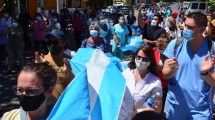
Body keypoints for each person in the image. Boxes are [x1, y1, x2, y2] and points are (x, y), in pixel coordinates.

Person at [162, 12, 215, 120]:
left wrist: (205, 73)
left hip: (200, 109)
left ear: (202, 30)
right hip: (175, 106)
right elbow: (165, 74)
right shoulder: (175, 44)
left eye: (190, 27)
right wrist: (172, 70)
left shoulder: (212, 49)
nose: (184, 29)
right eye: (185, 25)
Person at [119, 46, 162, 120]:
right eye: (138, 57)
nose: (141, 60)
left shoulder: (155, 82)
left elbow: (157, 109)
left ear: (150, 61)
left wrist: (139, 111)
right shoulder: (125, 74)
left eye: (145, 59)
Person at [35, 30, 74, 103]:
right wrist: (41, 68)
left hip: (63, 107)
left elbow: (76, 85)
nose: (52, 45)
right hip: (46, 108)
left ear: (63, 43)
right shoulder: (42, 60)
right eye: (49, 43)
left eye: (55, 42)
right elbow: (34, 83)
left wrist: (69, 73)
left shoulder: (70, 61)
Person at [153, 36, 170, 114]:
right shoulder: (153, 52)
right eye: (159, 48)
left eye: (163, 48)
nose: (161, 50)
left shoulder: (170, 53)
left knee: (161, 106)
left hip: (165, 84)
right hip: (154, 83)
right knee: (153, 105)